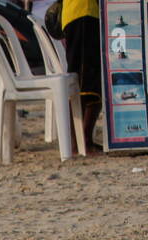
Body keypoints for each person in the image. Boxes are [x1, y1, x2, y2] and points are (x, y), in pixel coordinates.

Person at [61, 0, 101, 153]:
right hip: (83, 13)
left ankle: (83, 139)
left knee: (91, 82)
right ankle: (81, 141)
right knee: (86, 84)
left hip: (84, 14)